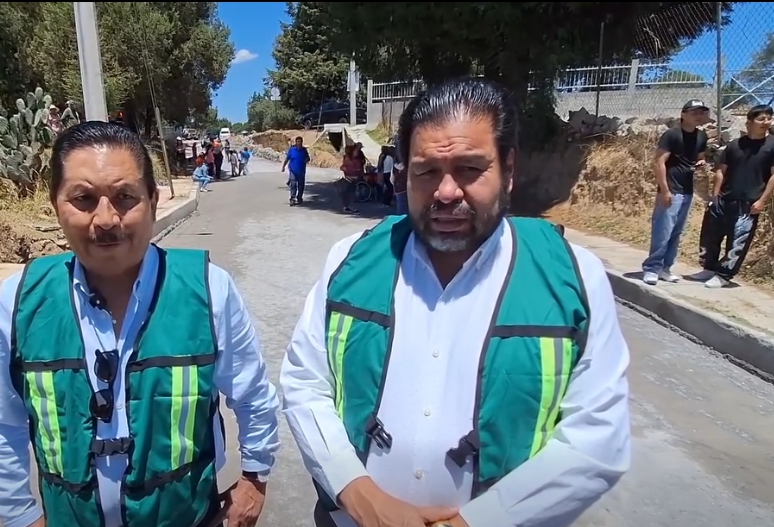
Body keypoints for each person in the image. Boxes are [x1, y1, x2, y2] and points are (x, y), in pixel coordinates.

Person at [280, 77, 630, 527]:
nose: (446, 192)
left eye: (469, 169)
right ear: (404, 173)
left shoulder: (572, 277)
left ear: (508, 169)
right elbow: (305, 382)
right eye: (426, 171)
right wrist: (358, 494)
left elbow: (597, 438)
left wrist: (480, 520)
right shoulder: (350, 261)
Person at [0, 122, 280, 527]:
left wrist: (254, 478)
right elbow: (1, 420)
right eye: (83, 199)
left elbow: (252, 395)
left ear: (153, 200)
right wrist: (19, 516)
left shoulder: (209, 288)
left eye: (124, 197)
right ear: (55, 205)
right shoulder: (23, 298)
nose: (105, 220)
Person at [694, 104, 774, 289]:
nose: (766, 122)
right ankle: (708, 268)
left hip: (749, 203)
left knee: (738, 240)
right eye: (761, 119)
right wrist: (715, 196)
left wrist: (762, 200)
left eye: (769, 118)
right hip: (723, 198)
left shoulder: (772, 145)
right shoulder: (735, 145)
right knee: (709, 236)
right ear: (749, 123)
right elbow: (721, 171)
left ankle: (724, 275)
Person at [641, 99, 710, 285]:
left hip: (687, 190)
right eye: (694, 112)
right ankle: (652, 268)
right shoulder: (671, 135)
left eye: (701, 112)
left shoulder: (701, 136)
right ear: (683, 114)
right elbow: (659, 162)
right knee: (662, 231)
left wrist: (701, 163)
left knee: (676, 232)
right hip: (671, 189)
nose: (698, 116)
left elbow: (699, 158)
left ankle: (665, 268)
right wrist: (665, 190)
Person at [333, 144, 362, 214]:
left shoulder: (358, 158)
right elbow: (343, 167)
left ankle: (347, 206)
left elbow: (360, 167)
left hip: (355, 179)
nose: (357, 152)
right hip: (349, 178)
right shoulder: (348, 158)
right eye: (356, 151)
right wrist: (345, 169)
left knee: (350, 193)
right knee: (348, 193)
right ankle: (348, 206)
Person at [282, 136, 310, 206]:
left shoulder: (304, 150)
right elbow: (287, 159)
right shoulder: (292, 150)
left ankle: (299, 197)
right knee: (293, 184)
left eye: (300, 142)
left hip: (301, 171)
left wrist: (307, 160)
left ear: (302, 142)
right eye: (298, 141)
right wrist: (283, 166)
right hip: (293, 171)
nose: (299, 143)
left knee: (301, 186)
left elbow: (308, 158)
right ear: (296, 142)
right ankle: (292, 198)